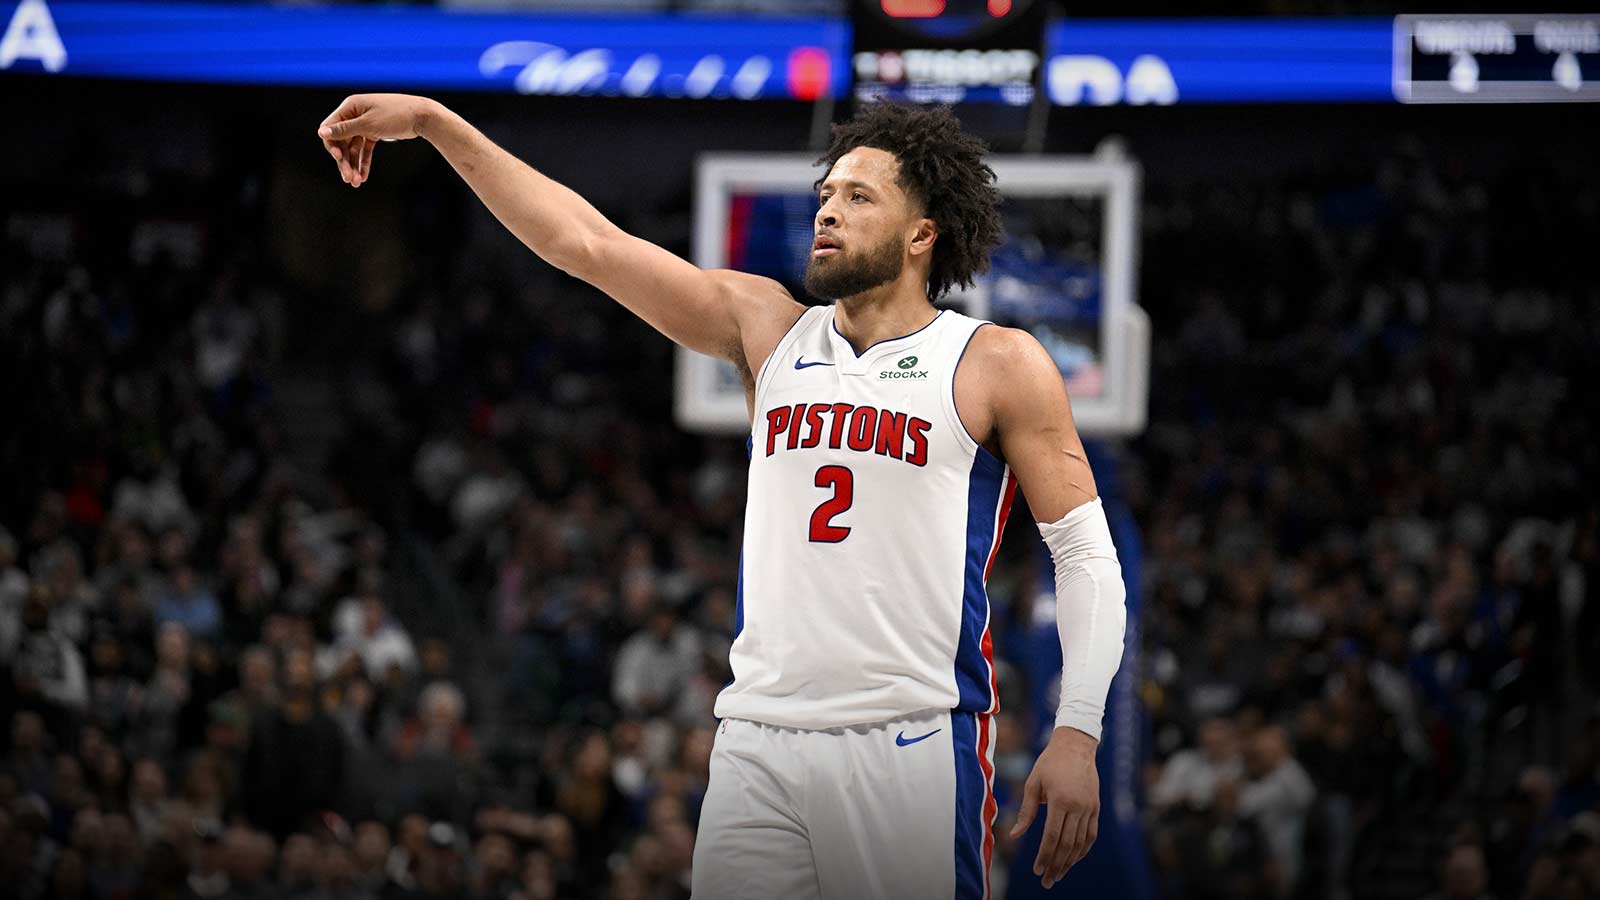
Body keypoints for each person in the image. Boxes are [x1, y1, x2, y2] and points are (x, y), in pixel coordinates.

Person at [318, 94, 1127, 899]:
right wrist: (434, 123)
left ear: (923, 234)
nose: (828, 212)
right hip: (757, 741)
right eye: (825, 195)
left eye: (857, 196)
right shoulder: (768, 329)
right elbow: (585, 244)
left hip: (906, 743)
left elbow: (1087, 556)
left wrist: (1079, 731)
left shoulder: (995, 362)